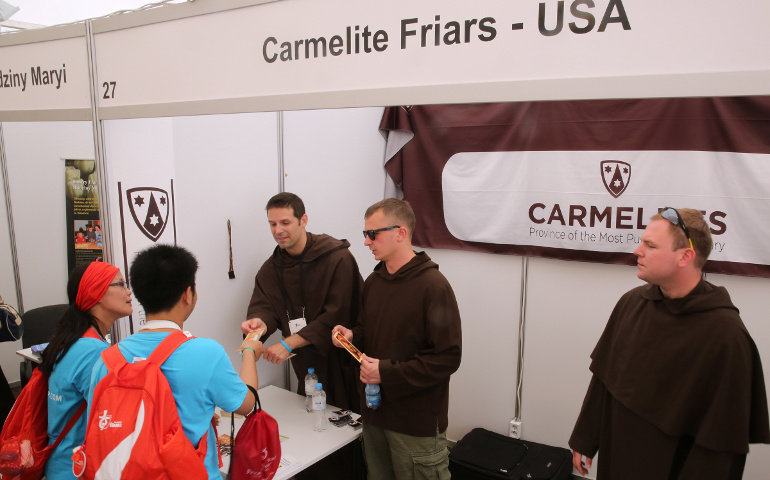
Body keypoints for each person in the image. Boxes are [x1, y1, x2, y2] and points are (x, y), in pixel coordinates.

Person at [570, 208, 770, 480]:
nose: (637, 251)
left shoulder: (726, 336)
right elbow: (604, 380)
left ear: (685, 256)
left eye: (650, 245)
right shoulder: (632, 303)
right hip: (618, 456)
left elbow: (721, 444)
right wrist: (585, 439)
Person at [90, 244, 262, 479]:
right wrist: (249, 351)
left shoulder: (106, 360)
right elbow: (246, 404)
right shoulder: (205, 353)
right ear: (187, 294)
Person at [333, 198, 462, 480]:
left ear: (401, 233)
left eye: (373, 234)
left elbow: (447, 358)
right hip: (375, 416)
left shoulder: (433, 286)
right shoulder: (375, 281)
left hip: (415, 425)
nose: (366, 242)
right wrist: (352, 336)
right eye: (365, 234)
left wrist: (386, 372)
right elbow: (370, 330)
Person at [241, 192, 362, 411]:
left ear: (303, 220)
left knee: (351, 419)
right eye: (272, 224)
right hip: (307, 365)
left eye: (285, 223)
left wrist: (288, 344)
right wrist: (259, 323)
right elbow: (264, 306)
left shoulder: (337, 258)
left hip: (343, 360)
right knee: (313, 416)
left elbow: (338, 314)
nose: (278, 230)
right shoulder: (271, 269)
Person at [40, 261, 132, 480]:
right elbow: (113, 423)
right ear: (95, 293)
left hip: (62, 464)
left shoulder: (74, 341)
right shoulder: (92, 351)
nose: (128, 292)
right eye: (120, 284)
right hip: (79, 470)